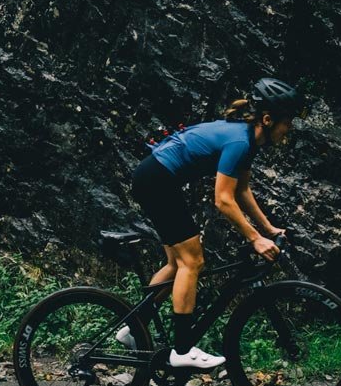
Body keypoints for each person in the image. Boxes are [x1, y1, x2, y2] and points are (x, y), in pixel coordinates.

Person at [127, 77, 305, 369]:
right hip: (156, 181)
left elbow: (242, 191)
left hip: (155, 179)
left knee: (176, 265)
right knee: (192, 262)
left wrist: (268, 229)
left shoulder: (248, 141)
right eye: (287, 122)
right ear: (268, 119)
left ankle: (134, 328)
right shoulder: (239, 141)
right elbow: (222, 200)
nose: (289, 130)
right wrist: (254, 239)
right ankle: (182, 351)